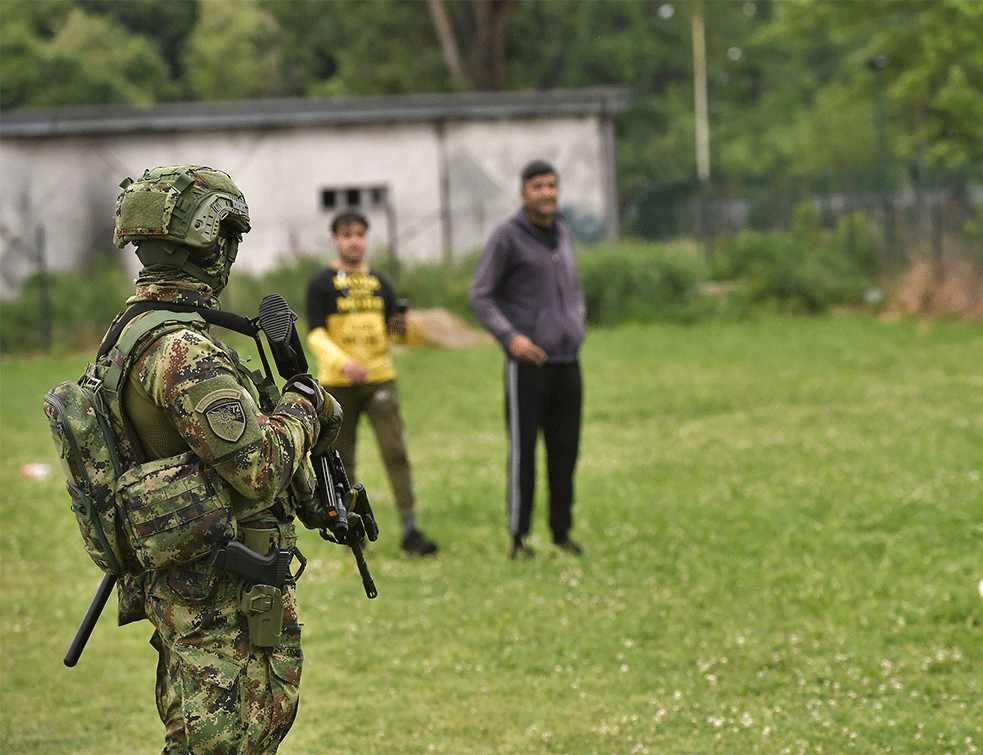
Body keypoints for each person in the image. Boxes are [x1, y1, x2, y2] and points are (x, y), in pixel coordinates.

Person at [109, 164, 341, 754]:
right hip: (219, 586)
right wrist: (302, 406)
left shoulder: (134, 330)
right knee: (225, 741)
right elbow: (259, 467)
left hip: (195, 576)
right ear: (209, 245)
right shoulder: (185, 352)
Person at [468, 160, 587, 560]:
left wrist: (577, 322)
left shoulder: (564, 233)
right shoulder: (507, 237)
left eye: (552, 185)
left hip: (567, 361)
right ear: (524, 194)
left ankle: (562, 532)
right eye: (538, 186)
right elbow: (480, 294)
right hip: (528, 365)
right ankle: (518, 538)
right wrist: (510, 337)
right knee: (524, 454)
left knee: (565, 451)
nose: (547, 193)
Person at [305, 211, 438, 556]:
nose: (355, 241)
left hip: (380, 379)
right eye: (347, 234)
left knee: (396, 451)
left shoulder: (381, 283)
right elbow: (315, 333)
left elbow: (397, 337)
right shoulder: (321, 284)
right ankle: (350, 528)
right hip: (337, 384)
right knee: (341, 459)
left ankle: (410, 530)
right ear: (335, 239)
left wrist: (403, 328)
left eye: (361, 234)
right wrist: (342, 362)